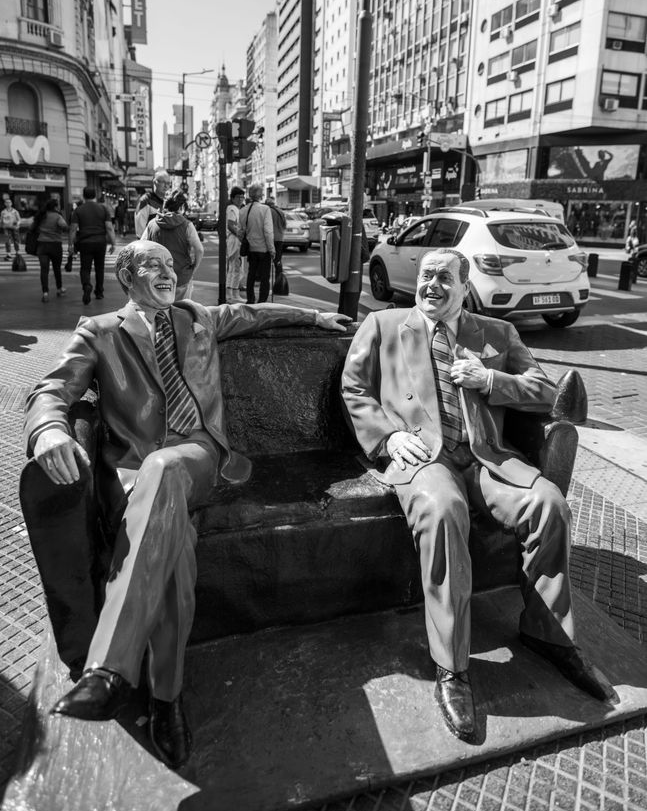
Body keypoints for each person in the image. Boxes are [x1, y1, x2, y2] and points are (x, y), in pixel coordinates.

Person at [23, 239, 350, 768]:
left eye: (171, 266)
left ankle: (107, 669)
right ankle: (165, 699)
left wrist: (317, 318)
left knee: (167, 467)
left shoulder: (199, 317)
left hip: (201, 458)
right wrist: (47, 431)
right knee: (174, 552)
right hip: (136, 477)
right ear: (127, 277)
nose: (167, 273)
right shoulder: (100, 332)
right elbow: (50, 389)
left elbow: (257, 313)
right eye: (152, 265)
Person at [341, 247, 617, 743]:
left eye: (445, 278)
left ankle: (547, 634)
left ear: (465, 287)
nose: (432, 286)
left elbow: (543, 391)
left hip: (486, 456)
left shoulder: (497, 334)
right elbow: (354, 388)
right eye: (427, 276)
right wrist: (386, 437)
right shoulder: (383, 325)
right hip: (425, 458)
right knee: (443, 510)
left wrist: (491, 379)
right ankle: (452, 667)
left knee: (549, 504)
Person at [141, 189, 204, 301]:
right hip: (182, 277)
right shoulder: (187, 225)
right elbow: (199, 249)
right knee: (181, 312)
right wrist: (194, 268)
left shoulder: (152, 224)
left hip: (158, 277)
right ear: (181, 207)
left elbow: (141, 248)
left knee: (161, 311)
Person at [69, 187, 116, 305]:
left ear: (84, 196)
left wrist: (70, 244)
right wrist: (113, 242)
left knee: (85, 268)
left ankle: (86, 285)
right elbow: (109, 227)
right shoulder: (103, 209)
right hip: (100, 242)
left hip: (85, 242)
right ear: (95, 195)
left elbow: (73, 229)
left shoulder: (78, 210)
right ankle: (99, 292)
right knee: (100, 268)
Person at [239, 183, 274, 304]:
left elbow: (241, 231)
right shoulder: (265, 209)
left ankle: (250, 299)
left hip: (251, 248)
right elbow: (268, 231)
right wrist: (272, 249)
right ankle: (262, 301)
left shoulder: (243, 210)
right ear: (260, 195)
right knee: (265, 277)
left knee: (251, 274)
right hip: (264, 249)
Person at [33, 199, 68, 302]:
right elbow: (64, 226)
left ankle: (45, 292)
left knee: (44, 270)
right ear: (55, 207)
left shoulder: (41, 215)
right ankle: (59, 288)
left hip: (42, 245)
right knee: (56, 268)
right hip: (55, 245)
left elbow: (32, 227)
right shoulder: (57, 216)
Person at [134, 171, 172, 237]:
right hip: (150, 243)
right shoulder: (146, 200)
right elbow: (140, 231)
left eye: (168, 183)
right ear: (155, 182)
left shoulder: (170, 201)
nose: (166, 186)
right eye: (162, 182)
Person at [226, 186, 245, 303]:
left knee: (233, 268)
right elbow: (230, 224)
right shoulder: (232, 208)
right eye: (238, 197)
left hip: (234, 240)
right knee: (236, 268)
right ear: (232, 198)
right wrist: (240, 235)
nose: (241, 199)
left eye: (242, 197)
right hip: (235, 241)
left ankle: (231, 294)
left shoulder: (233, 208)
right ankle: (234, 294)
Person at [266, 195, 286, 276]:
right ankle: (279, 276)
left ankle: (264, 277)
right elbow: (284, 225)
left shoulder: (268, 211)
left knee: (267, 259)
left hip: (271, 238)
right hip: (280, 238)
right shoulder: (281, 212)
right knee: (278, 259)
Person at [1, 194, 21, 261]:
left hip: (14, 228)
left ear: (11, 203)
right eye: (7, 202)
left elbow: (19, 220)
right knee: (7, 241)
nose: (8, 203)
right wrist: (1, 225)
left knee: (16, 240)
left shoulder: (15, 211)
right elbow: (1, 220)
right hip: (6, 228)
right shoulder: (3, 212)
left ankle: (17, 252)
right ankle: (9, 254)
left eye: (9, 202)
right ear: (5, 204)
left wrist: (17, 224)